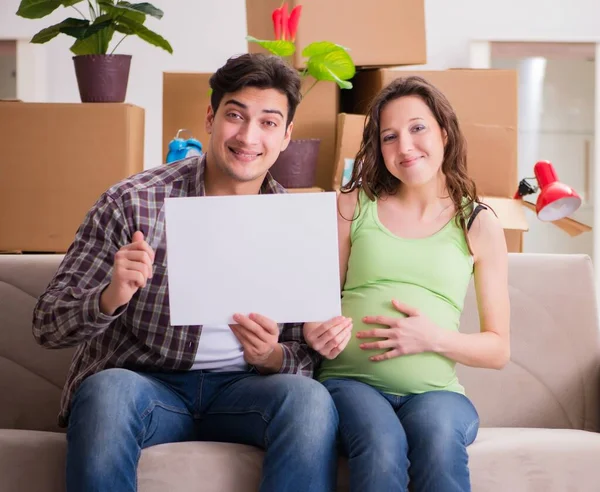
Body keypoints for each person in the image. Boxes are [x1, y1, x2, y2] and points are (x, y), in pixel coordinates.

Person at [32, 53, 340, 492]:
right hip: (145, 385)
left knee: (310, 401)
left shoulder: (298, 223)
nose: (249, 136)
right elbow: (47, 325)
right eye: (235, 116)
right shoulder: (132, 202)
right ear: (211, 117)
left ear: (287, 135)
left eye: (269, 123)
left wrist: (269, 356)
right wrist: (110, 295)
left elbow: (308, 356)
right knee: (107, 393)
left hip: (246, 391)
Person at [304, 76, 511, 492]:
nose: (405, 147)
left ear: (445, 134)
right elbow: (314, 305)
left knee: (437, 440)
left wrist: (432, 338)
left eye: (418, 128)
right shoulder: (351, 205)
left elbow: (498, 348)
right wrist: (315, 329)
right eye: (389, 137)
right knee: (381, 445)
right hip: (350, 384)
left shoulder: (478, 222)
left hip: (436, 394)